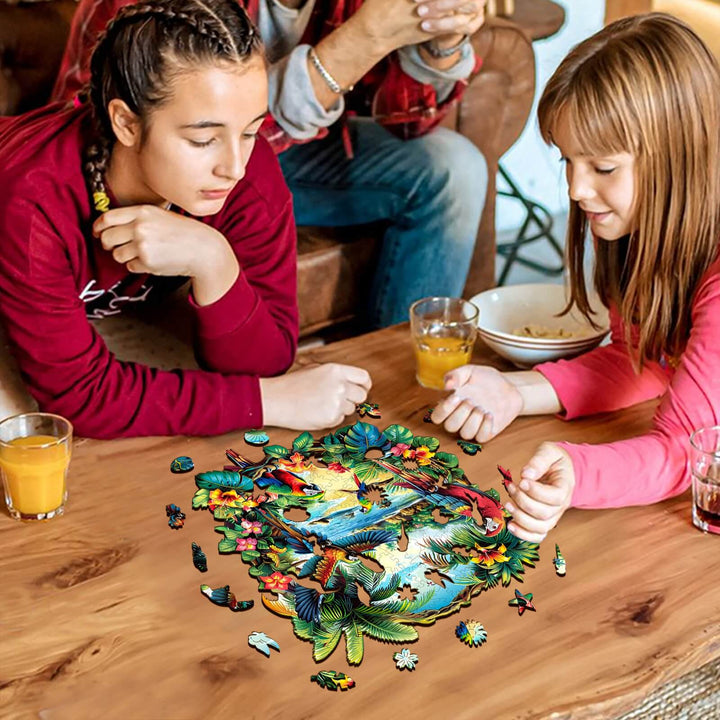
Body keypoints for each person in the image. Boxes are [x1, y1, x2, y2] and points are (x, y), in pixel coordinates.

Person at [0, 0, 371, 439]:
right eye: (203, 139)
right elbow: (82, 399)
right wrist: (271, 401)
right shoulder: (32, 199)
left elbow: (268, 359)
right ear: (126, 123)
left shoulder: (247, 170)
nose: (234, 166)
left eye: (250, 131)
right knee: (21, 433)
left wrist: (214, 260)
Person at [433, 13, 720, 542]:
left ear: (681, 158)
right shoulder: (641, 230)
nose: (574, 189)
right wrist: (515, 392)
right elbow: (644, 359)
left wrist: (579, 473)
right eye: (568, 160)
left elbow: (690, 449)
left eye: (603, 168)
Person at [51, 0, 489, 329]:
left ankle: (401, 376)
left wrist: (440, 42)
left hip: (286, 149)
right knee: (226, 149)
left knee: (453, 167)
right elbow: (107, 137)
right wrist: (362, 40)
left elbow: (411, 125)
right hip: (153, 164)